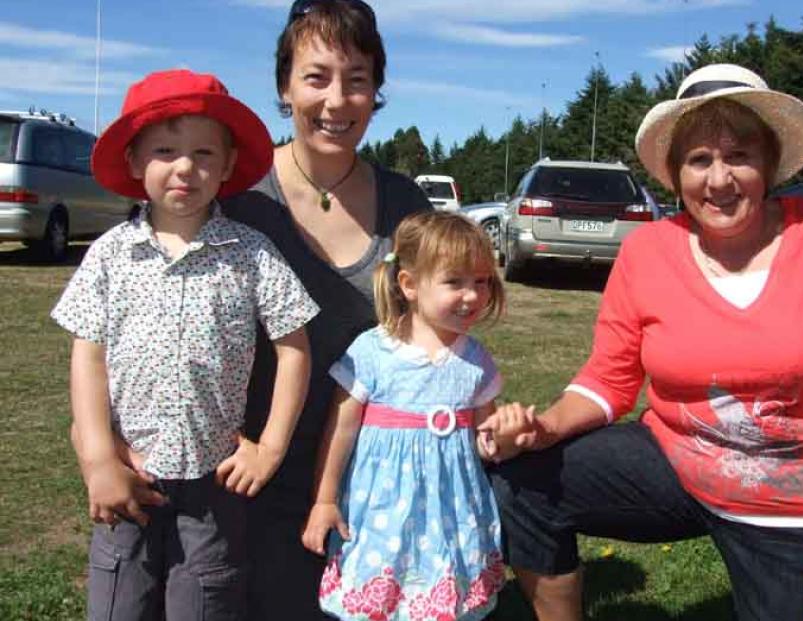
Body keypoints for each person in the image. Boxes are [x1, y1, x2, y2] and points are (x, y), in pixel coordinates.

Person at [487, 64, 803, 621]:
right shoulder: (648, 249)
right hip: (676, 464)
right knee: (523, 478)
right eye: (699, 160)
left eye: (738, 156)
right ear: (676, 175)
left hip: (796, 503)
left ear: (768, 163)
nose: (719, 180)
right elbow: (610, 378)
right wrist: (545, 429)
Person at [53, 69, 318, 620]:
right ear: (133, 161)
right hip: (130, 473)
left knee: (204, 603)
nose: (184, 167)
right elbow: (88, 357)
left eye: (202, 153)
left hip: (215, 482)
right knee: (118, 604)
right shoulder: (108, 255)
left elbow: (295, 349)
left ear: (226, 165)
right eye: (165, 150)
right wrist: (99, 458)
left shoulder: (252, 252)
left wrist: (269, 447)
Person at [219, 0, 432, 617]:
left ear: (376, 91)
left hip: (375, 475)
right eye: (316, 77)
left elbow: (439, 333)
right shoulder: (235, 198)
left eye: (357, 79)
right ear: (285, 86)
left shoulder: (407, 203)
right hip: (254, 473)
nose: (337, 101)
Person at [300, 211, 532, 621]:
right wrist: (324, 499)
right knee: (383, 595)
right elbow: (340, 430)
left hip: (452, 507)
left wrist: (504, 437)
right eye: (455, 282)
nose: (472, 295)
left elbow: (484, 438)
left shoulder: (475, 360)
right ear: (409, 285)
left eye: (481, 281)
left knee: (444, 593)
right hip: (382, 506)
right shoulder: (372, 352)